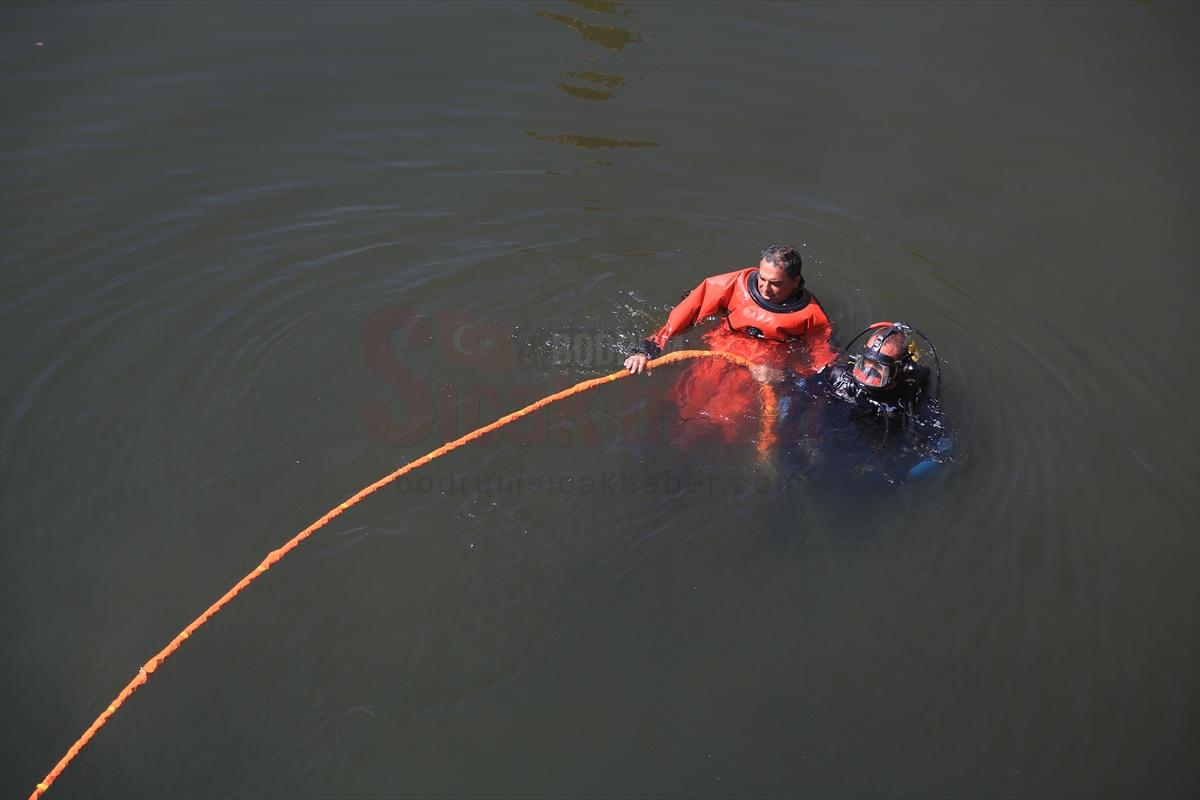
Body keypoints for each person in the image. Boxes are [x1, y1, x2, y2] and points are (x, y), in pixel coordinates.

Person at [623, 244, 838, 446]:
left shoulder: (811, 315)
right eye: (762, 279)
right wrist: (646, 349)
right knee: (685, 403)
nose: (765, 287)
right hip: (720, 349)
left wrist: (784, 375)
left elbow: (822, 363)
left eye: (775, 283)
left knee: (722, 420)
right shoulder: (735, 284)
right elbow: (686, 313)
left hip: (760, 367)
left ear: (795, 281)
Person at [780, 321, 954, 484]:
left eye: (878, 371)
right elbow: (796, 394)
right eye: (863, 364)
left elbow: (944, 448)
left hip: (871, 460)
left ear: (898, 372)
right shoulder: (838, 377)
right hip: (826, 445)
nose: (866, 376)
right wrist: (788, 436)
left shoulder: (909, 398)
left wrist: (901, 474)